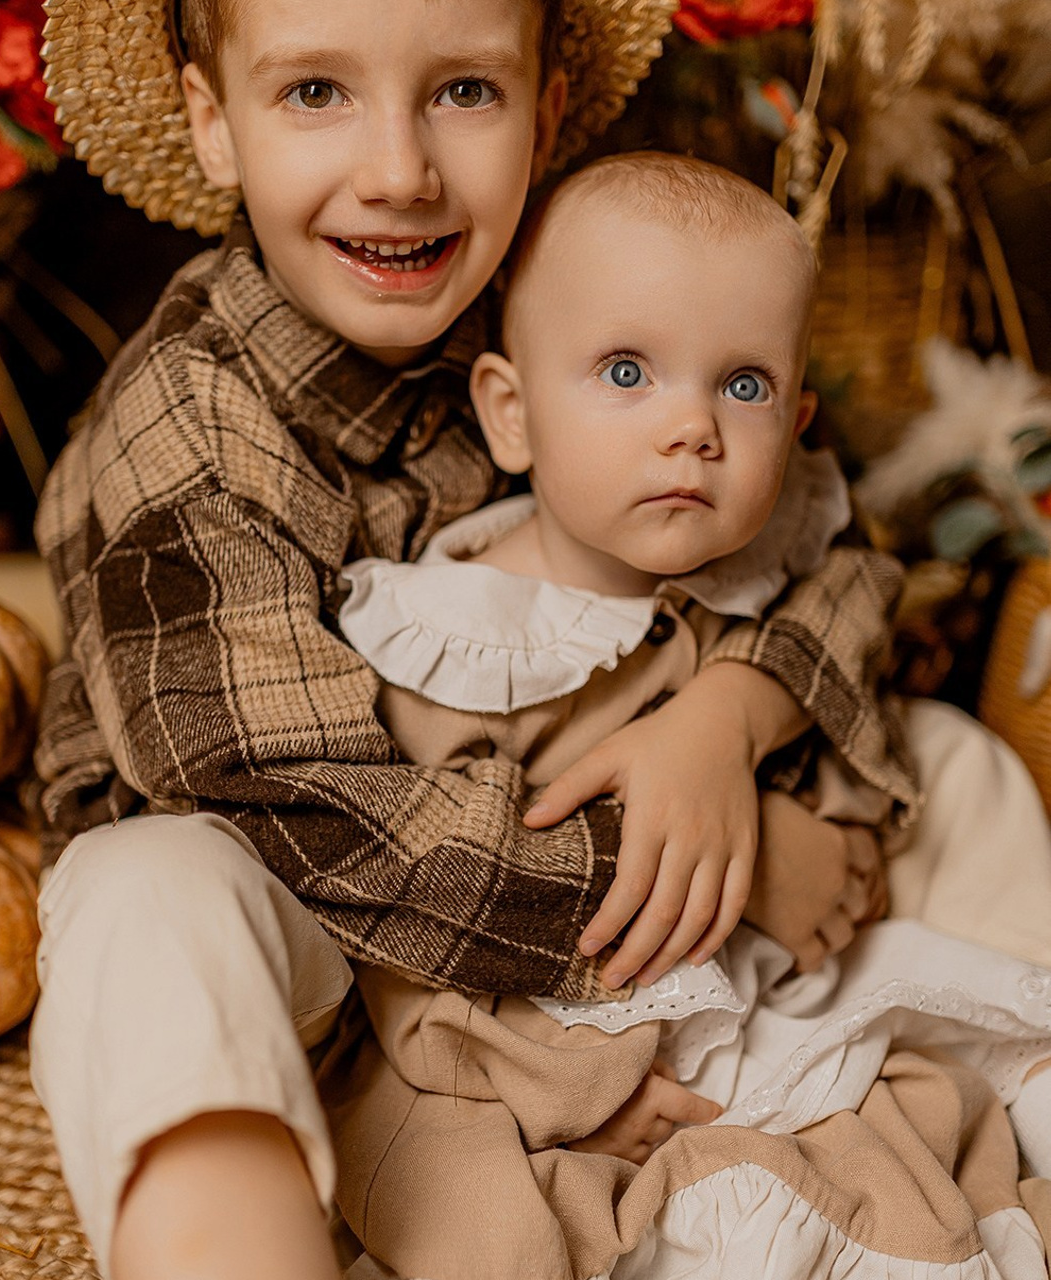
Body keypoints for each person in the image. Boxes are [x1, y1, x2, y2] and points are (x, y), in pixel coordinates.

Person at [29, 1, 934, 1277]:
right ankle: (231, 1242)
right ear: (209, 124)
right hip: (304, 909)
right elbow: (298, 806)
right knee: (145, 896)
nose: (399, 172)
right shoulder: (186, 419)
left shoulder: (596, 279)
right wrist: (724, 869)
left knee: (951, 766)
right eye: (312, 94)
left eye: (463, 92)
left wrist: (730, 717)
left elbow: (827, 546)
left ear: (545, 112)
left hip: (553, 840)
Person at [324, 150, 1051, 1280]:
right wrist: (575, 1092)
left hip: (771, 974)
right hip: (562, 1023)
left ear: (796, 420)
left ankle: (1030, 1064)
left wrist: (819, 820)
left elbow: (850, 711)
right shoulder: (456, 638)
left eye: (743, 385)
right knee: (472, 1184)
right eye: (625, 370)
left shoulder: (762, 573)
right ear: (510, 415)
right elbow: (413, 932)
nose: (692, 428)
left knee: (954, 767)